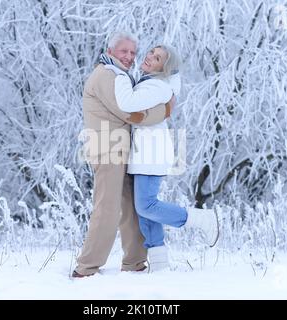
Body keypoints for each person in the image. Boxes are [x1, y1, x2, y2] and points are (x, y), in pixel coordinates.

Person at [105, 45, 219, 272]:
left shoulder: (157, 86)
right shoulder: (151, 83)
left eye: (157, 58)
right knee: (144, 211)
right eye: (151, 52)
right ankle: (159, 264)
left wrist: (118, 73)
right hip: (143, 154)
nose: (149, 58)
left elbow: (126, 103)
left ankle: (201, 219)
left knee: (147, 206)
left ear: (164, 68)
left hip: (151, 154)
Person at [72, 32, 174, 278]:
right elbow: (128, 112)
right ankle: (86, 267)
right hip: (108, 150)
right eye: (123, 51)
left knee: (131, 207)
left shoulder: (119, 74)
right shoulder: (107, 75)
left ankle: (135, 262)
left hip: (120, 150)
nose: (129, 57)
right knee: (107, 208)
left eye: (132, 52)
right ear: (110, 51)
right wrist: (164, 111)